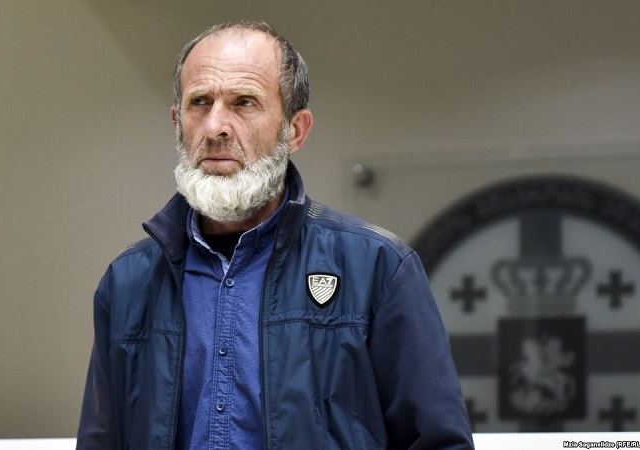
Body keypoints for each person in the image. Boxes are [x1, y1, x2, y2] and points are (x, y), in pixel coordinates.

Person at [77, 20, 474, 450]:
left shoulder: (378, 267)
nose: (215, 126)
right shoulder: (128, 282)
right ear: (177, 122)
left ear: (295, 130)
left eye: (244, 102)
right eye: (199, 102)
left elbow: (438, 442)